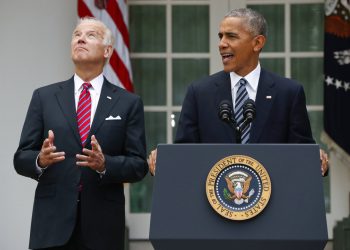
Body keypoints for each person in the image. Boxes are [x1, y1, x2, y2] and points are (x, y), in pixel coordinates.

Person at [14, 17, 148, 250]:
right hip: (52, 226)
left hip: (103, 228)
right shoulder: (44, 97)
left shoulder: (128, 103)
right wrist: (40, 160)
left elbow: (138, 165)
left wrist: (105, 164)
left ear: (107, 51)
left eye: (90, 35)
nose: (81, 39)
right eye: (76, 35)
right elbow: (21, 157)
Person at [148, 8, 328, 176]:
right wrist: (166, 157)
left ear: (257, 43)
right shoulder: (200, 92)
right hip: (215, 202)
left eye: (231, 36)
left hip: (273, 202)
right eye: (220, 36)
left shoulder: (288, 92)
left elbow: (302, 152)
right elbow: (185, 152)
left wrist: (316, 159)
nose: (221, 44)